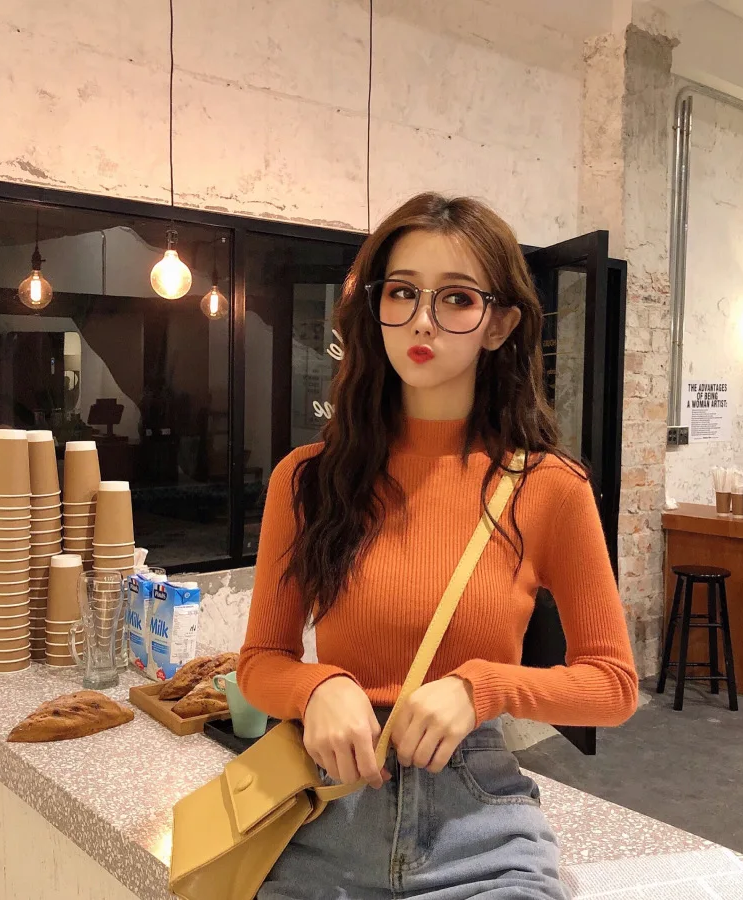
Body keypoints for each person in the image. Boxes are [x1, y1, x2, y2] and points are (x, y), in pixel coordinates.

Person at [238, 192, 638, 899]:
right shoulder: (307, 481)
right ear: (376, 309)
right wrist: (317, 686)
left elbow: (613, 685)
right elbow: (260, 662)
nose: (422, 320)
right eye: (402, 293)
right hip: (328, 817)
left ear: (499, 324)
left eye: (457, 299)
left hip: (480, 829)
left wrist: (482, 688)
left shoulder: (549, 488)